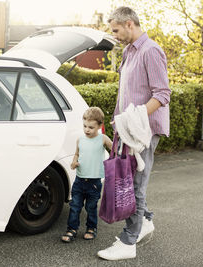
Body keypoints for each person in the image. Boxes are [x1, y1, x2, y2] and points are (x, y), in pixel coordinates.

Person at [97, 6, 171, 260]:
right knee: (128, 179)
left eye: (116, 30)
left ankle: (129, 242)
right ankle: (146, 220)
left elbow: (162, 94)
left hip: (144, 130)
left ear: (129, 24)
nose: (115, 35)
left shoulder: (151, 51)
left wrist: (135, 117)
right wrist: (120, 123)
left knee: (136, 185)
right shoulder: (129, 51)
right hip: (128, 129)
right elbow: (126, 92)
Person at [61, 107, 112, 243]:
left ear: (100, 126)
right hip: (79, 180)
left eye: (91, 127)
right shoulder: (80, 140)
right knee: (75, 206)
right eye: (85, 126)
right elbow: (77, 154)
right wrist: (74, 162)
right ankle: (71, 229)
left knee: (91, 207)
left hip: (94, 183)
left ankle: (91, 228)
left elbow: (115, 150)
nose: (87, 130)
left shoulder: (103, 139)